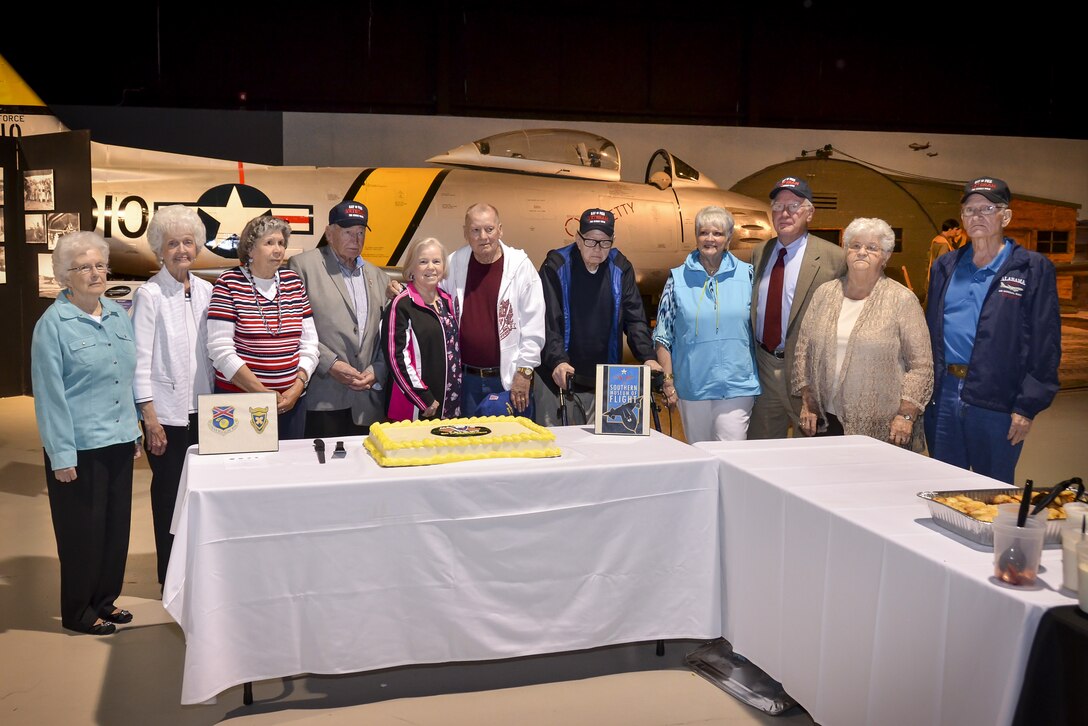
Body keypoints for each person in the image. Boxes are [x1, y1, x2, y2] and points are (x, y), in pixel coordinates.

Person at [31, 231, 141, 635]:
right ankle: (79, 611)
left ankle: (104, 601)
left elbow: (123, 379)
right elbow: (49, 395)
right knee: (83, 534)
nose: (96, 274)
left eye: (100, 265)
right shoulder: (52, 325)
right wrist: (61, 455)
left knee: (115, 530)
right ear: (65, 275)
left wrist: (133, 432)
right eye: (84, 268)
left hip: (117, 440)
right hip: (78, 448)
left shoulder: (115, 313)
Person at [925, 177, 1061, 483]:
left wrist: (1027, 406)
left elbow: (1046, 343)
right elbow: (931, 331)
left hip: (998, 397)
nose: (977, 216)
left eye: (987, 208)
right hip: (945, 392)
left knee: (992, 490)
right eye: (969, 210)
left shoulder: (1031, 268)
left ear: (1006, 216)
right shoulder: (945, 266)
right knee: (943, 485)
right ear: (961, 219)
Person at [793, 217, 933, 449]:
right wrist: (808, 402)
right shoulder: (824, 294)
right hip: (826, 419)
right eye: (855, 246)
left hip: (882, 424)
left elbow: (921, 366)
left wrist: (906, 415)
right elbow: (803, 350)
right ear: (846, 251)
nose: (862, 252)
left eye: (872, 248)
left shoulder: (902, 300)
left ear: (886, 256)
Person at [131, 205, 214, 590]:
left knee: (201, 497)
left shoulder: (207, 290)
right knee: (168, 496)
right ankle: (170, 577)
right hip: (167, 416)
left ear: (197, 246)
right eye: (172, 243)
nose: (181, 249)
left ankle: (198, 570)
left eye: (187, 242)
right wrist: (149, 417)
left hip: (207, 413)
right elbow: (139, 361)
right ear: (159, 250)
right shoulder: (149, 295)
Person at [536, 208, 661, 425]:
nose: (598, 249)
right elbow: (548, 323)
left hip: (604, 380)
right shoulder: (555, 266)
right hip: (558, 377)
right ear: (577, 238)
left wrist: (647, 356)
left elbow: (635, 319)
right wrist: (558, 361)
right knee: (561, 449)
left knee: (604, 451)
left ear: (612, 240)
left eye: (605, 242)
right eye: (591, 241)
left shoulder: (620, 267)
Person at [748, 176, 847, 439]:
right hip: (766, 368)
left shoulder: (834, 258)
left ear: (809, 213)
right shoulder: (760, 253)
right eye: (778, 207)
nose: (785, 213)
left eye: (794, 206)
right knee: (762, 451)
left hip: (808, 376)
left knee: (809, 456)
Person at [653, 206, 761, 442]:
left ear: (728, 239)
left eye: (718, 233)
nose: (710, 239)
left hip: (738, 386)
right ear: (696, 237)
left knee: (732, 454)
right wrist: (668, 382)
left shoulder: (748, 275)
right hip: (693, 386)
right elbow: (663, 336)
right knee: (700, 453)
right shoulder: (676, 279)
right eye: (703, 233)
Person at [207, 215, 319, 440]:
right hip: (240, 403)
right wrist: (262, 393)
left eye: (281, 243)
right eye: (269, 243)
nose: (278, 250)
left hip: (292, 403)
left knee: (288, 469)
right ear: (250, 249)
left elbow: (310, 344)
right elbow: (220, 350)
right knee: (244, 471)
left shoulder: (293, 282)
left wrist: (298, 386)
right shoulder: (229, 283)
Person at [287, 201, 390, 436]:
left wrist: (378, 369)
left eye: (361, 233)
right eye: (347, 232)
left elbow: (389, 334)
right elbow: (294, 328)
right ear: (329, 233)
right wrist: (330, 364)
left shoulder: (379, 276)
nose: (356, 239)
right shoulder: (303, 267)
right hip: (324, 397)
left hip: (367, 401)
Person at [444, 203, 545, 417]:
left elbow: (534, 327)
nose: (483, 237)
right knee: (469, 446)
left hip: (508, 380)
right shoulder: (454, 263)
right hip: (466, 381)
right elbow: (428, 295)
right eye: (475, 230)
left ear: (500, 229)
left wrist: (524, 372)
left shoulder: (520, 267)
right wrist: (400, 290)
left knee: (511, 447)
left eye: (489, 229)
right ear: (465, 233)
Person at [381, 237, 462, 420]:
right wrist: (423, 397)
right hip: (417, 405)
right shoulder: (401, 304)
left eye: (436, 261)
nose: (431, 267)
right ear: (411, 268)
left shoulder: (446, 301)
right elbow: (396, 358)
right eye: (423, 261)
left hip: (449, 402)